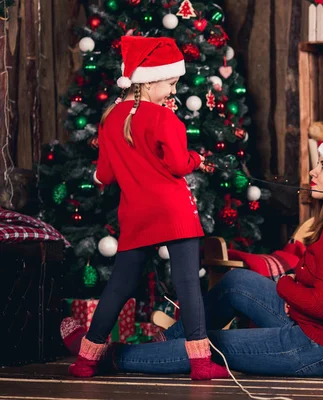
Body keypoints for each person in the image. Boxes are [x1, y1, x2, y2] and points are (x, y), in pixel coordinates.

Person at [62, 137, 323, 377]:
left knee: (208, 343)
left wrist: (285, 285)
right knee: (236, 282)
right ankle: (163, 342)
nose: (313, 171)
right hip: (319, 329)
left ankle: (110, 356)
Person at [64, 36, 228, 381]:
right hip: (174, 211)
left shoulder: (110, 120)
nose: (173, 91)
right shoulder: (165, 120)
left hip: (136, 213)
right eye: (170, 83)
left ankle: (85, 360)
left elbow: (105, 175)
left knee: (119, 287)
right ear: (149, 80)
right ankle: (200, 364)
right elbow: (178, 165)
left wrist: (105, 172)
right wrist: (198, 159)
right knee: (187, 285)